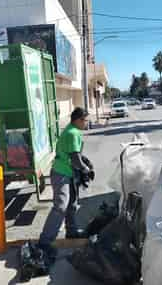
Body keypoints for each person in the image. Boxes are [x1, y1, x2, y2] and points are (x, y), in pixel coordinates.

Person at [38, 107, 94, 263]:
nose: (86, 123)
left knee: (72, 203)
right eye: (85, 120)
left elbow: (76, 155)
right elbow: (75, 158)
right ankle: (45, 241)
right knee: (61, 206)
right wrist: (86, 169)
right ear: (78, 120)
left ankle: (72, 232)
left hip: (67, 173)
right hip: (61, 174)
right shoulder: (72, 133)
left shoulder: (73, 131)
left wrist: (85, 164)